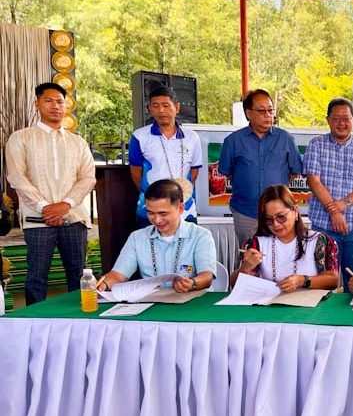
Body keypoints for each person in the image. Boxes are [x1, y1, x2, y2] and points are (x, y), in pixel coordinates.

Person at [6, 82, 96, 305]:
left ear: (66, 106)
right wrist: (44, 208)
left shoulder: (78, 142)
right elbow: (16, 177)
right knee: (37, 276)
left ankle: (79, 323)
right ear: (37, 104)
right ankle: (34, 325)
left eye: (60, 101)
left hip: (73, 218)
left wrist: (64, 205)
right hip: (38, 219)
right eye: (49, 100)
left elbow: (88, 178)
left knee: (78, 275)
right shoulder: (21, 138)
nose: (55, 106)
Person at [303, 97, 353, 292]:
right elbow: (314, 180)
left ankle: (350, 319)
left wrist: (344, 204)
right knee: (323, 279)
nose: (341, 123)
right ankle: (320, 320)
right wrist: (335, 212)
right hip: (324, 227)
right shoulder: (317, 145)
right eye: (336, 118)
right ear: (328, 119)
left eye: (346, 118)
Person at [97, 179, 216, 293]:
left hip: (193, 303)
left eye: (163, 213)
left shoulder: (200, 236)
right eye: (150, 213)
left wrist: (192, 283)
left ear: (180, 208)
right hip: (153, 302)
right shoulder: (137, 238)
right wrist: (103, 285)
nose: (157, 220)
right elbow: (118, 275)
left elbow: (206, 276)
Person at [219, 89, 303, 248]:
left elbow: (294, 171)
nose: (268, 115)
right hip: (246, 213)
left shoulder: (285, 138)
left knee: (280, 258)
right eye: (262, 111)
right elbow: (228, 172)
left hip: (279, 216)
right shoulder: (233, 141)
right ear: (249, 113)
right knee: (249, 258)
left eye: (270, 110)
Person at [231, 185, 339, 291]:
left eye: (281, 217)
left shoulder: (318, 241)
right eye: (268, 219)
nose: (275, 224)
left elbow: (333, 280)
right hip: (271, 305)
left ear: (295, 212)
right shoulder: (258, 243)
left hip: (310, 305)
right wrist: (245, 268)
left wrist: (302, 281)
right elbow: (234, 285)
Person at [129, 86, 203, 228]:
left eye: (166, 105)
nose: (161, 110)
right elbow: (136, 174)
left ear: (177, 107)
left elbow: (194, 172)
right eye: (155, 106)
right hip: (150, 211)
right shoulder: (139, 137)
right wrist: (155, 196)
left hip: (185, 209)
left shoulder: (192, 137)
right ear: (149, 109)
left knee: (186, 248)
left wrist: (181, 191)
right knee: (150, 249)